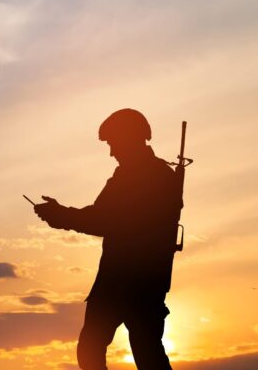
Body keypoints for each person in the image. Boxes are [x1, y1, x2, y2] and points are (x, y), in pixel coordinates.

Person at [34, 108, 182, 369]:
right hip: (127, 282)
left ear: (131, 138)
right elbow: (103, 217)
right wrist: (61, 215)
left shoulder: (150, 176)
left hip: (133, 283)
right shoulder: (134, 175)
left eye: (114, 142)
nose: (112, 152)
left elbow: (106, 220)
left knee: (139, 353)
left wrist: (61, 216)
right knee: (119, 350)